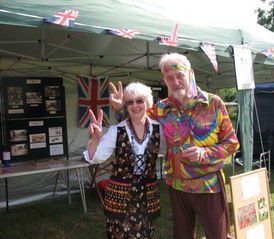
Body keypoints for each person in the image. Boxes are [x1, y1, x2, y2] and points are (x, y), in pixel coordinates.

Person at [109, 53, 240, 239]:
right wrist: (119, 109)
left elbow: (232, 144)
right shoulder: (160, 109)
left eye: (180, 76)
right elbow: (136, 122)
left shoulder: (213, 103)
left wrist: (204, 153)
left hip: (208, 184)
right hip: (177, 186)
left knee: (217, 235)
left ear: (191, 73)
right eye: (170, 78)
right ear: (165, 80)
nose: (176, 82)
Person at [83, 82, 166, 239]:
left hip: (148, 194)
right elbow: (95, 157)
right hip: (120, 195)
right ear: (125, 106)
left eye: (139, 100)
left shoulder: (158, 129)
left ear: (148, 102)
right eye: (129, 102)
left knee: (147, 235)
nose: (135, 105)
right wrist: (96, 139)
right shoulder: (117, 130)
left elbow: (168, 150)